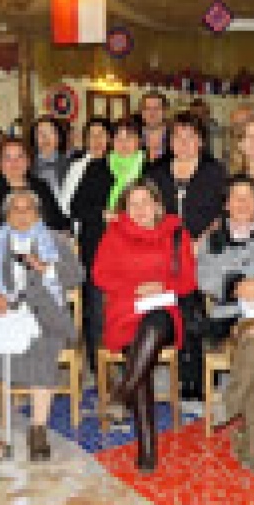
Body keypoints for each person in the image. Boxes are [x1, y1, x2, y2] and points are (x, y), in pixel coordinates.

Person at [0, 189, 83, 461]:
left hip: (44, 315)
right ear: (6, 215)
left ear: (37, 214)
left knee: (43, 351)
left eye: (27, 209)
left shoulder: (56, 241)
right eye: (15, 209)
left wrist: (47, 269)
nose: (21, 215)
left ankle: (38, 429)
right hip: (3, 315)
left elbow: (77, 275)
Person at [93, 179, 196, 473]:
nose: (139, 209)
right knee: (140, 355)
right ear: (124, 209)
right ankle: (147, 449)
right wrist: (134, 289)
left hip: (163, 310)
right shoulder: (114, 234)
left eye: (145, 202)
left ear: (157, 205)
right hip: (126, 310)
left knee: (153, 326)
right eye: (132, 204)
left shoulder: (176, 232)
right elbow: (100, 275)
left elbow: (188, 280)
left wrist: (162, 286)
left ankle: (120, 394)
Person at [197, 176, 254, 465]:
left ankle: (231, 404)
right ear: (226, 204)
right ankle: (252, 443)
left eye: (248, 197)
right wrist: (236, 286)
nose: (242, 203)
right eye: (236, 197)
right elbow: (204, 278)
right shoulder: (213, 238)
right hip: (229, 317)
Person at [71, 118, 145, 371]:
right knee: (97, 309)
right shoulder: (97, 168)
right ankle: (99, 368)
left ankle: (133, 365)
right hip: (100, 247)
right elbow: (76, 207)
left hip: (138, 251)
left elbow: (160, 210)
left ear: (139, 141)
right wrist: (102, 214)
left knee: (132, 310)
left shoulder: (149, 171)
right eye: (118, 138)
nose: (123, 143)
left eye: (129, 137)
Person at [146, 111, 227, 245]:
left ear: (201, 141)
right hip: (161, 244)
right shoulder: (155, 173)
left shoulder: (216, 172)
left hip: (205, 246)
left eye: (190, 137)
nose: (184, 143)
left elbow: (224, 213)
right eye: (178, 137)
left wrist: (200, 243)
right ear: (170, 142)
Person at [0, 139, 69, 238]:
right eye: (8, 158)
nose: (14, 162)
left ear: (28, 161)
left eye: (20, 157)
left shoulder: (41, 187)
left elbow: (58, 222)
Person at [59, 117, 112, 217]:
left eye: (101, 134)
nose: (97, 139)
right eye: (92, 135)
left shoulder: (115, 164)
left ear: (109, 138)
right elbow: (66, 203)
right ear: (86, 140)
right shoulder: (77, 166)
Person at [29, 116, 70, 213]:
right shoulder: (27, 167)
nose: (45, 137)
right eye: (40, 133)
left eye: (50, 132)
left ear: (59, 137)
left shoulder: (72, 165)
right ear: (34, 139)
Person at [139, 91, 170, 163]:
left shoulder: (175, 138)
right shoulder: (133, 136)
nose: (152, 113)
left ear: (165, 111)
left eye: (157, 108)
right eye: (147, 108)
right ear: (142, 112)